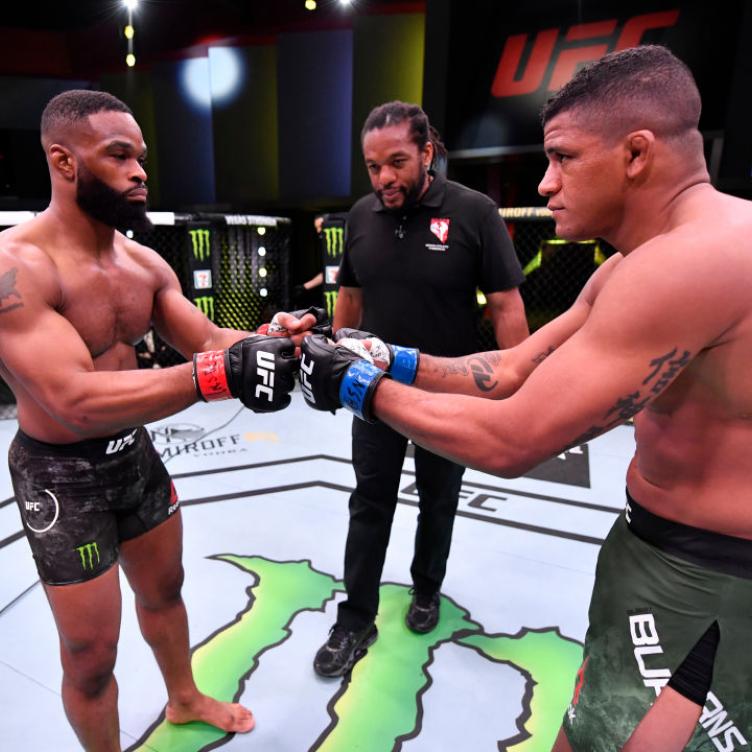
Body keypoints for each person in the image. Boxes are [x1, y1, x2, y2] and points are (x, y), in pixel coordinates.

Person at [299, 46, 752, 751]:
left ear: (636, 154)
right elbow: (510, 369)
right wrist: (383, 356)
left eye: (563, 158)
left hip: (714, 579)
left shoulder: (692, 262)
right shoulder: (637, 266)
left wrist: (354, 385)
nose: (544, 183)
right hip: (653, 548)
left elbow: (512, 439)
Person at [2, 89, 316, 752]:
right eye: (118, 156)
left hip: (132, 454)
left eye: (140, 157)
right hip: (61, 473)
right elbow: (73, 398)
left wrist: (280, 340)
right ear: (63, 160)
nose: (140, 171)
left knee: (165, 590)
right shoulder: (17, 266)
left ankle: (183, 697)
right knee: (89, 654)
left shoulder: (143, 263)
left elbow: (207, 342)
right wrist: (215, 378)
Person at [311, 101, 528, 678]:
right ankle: (355, 617)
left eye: (397, 163)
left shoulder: (473, 212)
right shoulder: (360, 216)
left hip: (446, 393)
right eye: (373, 166)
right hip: (372, 391)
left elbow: (507, 306)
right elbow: (351, 298)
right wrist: (334, 359)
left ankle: (426, 588)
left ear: (427, 153)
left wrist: (518, 384)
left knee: (439, 498)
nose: (384, 179)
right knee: (369, 500)